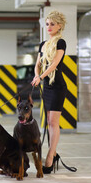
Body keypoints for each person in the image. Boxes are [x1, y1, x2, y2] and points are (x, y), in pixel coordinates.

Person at [31, 10, 67, 174]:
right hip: (46, 86)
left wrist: (41, 77)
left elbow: (54, 65)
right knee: (48, 122)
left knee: (53, 122)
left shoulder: (61, 43)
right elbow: (38, 64)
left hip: (57, 86)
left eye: (52, 24)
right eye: (47, 24)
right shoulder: (43, 44)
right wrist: (36, 75)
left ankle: (51, 156)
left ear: (59, 26)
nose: (49, 27)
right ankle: (52, 153)